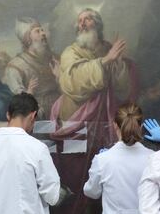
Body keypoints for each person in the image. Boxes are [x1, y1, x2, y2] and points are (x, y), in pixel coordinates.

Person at [83, 103, 153, 214]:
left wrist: (98, 166)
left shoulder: (104, 160)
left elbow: (91, 192)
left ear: (115, 126)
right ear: (142, 126)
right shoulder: (154, 159)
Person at [51, 8, 136, 147]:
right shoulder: (70, 52)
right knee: (77, 161)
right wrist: (106, 60)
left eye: (87, 19)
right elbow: (73, 79)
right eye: (79, 21)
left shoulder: (108, 48)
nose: (82, 23)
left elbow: (122, 87)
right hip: (77, 116)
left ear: (97, 24)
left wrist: (119, 63)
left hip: (105, 115)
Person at [5, 17, 60, 120]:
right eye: (37, 31)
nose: (43, 33)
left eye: (42, 30)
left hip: (60, 108)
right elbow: (19, 103)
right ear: (28, 39)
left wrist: (59, 77)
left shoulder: (55, 59)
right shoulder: (16, 66)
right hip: (37, 115)